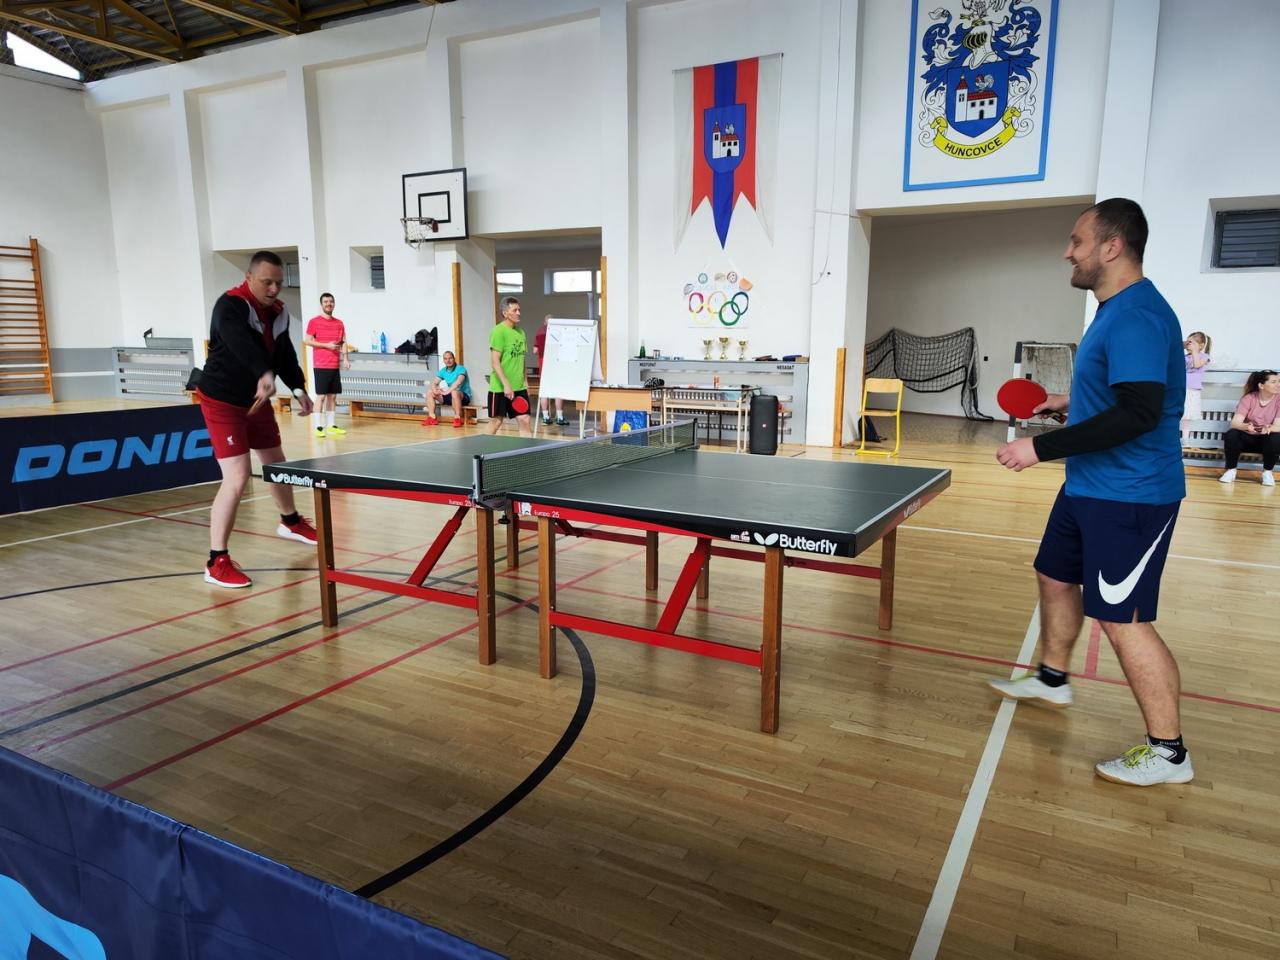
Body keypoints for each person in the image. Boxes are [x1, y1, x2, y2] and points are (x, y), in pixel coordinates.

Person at [990, 198, 1193, 787]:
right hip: (1089, 486)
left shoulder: (1135, 315)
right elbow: (1119, 396)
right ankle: (1052, 679)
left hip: (1130, 495)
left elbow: (1138, 413)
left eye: (1076, 241)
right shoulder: (1112, 310)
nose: (1067, 252)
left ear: (1112, 246)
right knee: (1055, 575)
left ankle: (1169, 753)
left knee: (1123, 618)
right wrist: (1068, 403)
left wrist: (1040, 448)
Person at [196, 250, 317, 589]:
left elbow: (285, 355)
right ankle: (216, 560)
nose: (274, 289)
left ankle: (290, 521)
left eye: (278, 282)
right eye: (267, 282)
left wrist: (298, 388)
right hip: (222, 401)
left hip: (256, 400)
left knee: (276, 462)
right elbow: (239, 345)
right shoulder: (230, 305)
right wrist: (263, 373)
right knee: (236, 477)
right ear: (249, 278)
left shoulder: (279, 312)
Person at [1218, 369, 1280, 485]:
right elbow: (1235, 423)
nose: (1278, 385)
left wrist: (1269, 428)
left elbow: (1278, 426)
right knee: (1231, 434)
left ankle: (1267, 473)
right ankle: (1231, 470)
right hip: (1247, 439)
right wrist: (1246, 426)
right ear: (1261, 385)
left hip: (1266, 441)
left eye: (1279, 381)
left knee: (1276, 438)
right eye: (1274, 382)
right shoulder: (1249, 398)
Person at [304, 292, 351, 438]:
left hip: (334, 364)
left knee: (333, 396)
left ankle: (331, 426)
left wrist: (345, 358)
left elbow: (343, 342)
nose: (328, 304)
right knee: (321, 396)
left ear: (334, 304)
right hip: (321, 364)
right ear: (321, 304)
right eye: (326, 302)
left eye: (331, 301)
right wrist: (326, 345)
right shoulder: (314, 322)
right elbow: (307, 340)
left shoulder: (339, 323)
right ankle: (318, 427)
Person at [485, 296, 532, 437]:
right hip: (500, 387)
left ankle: (528, 450)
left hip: (519, 386)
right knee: (496, 422)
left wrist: (526, 383)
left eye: (519, 310)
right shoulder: (498, 332)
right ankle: (481, 448)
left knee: (524, 419)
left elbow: (522, 360)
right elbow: (495, 362)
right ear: (505, 313)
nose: (519, 313)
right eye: (515, 310)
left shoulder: (521, 332)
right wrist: (506, 385)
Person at [533, 314, 566, 426]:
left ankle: (546, 417)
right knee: (558, 391)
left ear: (544, 322)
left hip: (543, 364)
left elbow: (535, 351)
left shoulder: (539, 332)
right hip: (556, 364)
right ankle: (560, 418)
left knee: (544, 391)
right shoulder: (558, 332)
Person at [424, 350, 470, 427]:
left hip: (463, 396)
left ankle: (457, 418)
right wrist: (435, 391)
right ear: (444, 360)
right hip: (451, 395)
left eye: (450, 358)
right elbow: (434, 383)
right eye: (445, 359)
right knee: (430, 392)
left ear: (454, 358)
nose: (448, 361)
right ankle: (432, 418)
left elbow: (458, 382)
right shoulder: (443, 371)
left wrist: (447, 391)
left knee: (454, 392)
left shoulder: (461, 369)